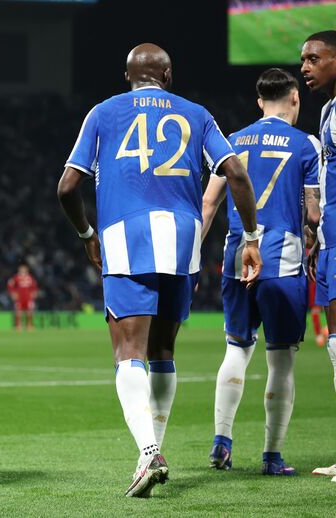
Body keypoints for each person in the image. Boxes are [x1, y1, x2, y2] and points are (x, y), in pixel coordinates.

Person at [56, 43, 261, 497]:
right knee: (163, 350)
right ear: (167, 76)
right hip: (183, 236)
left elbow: (68, 186)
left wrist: (88, 234)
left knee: (128, 350)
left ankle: (149, 452)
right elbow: (238, 175)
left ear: (127, 75)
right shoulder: (197, 113)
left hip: (126, 234)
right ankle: (150, 452)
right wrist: (250, 239)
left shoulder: (103, 112)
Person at [201, 68, 321, 476]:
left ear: (258, 102)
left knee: (236, 350)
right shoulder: (306, 144)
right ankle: (271, 455)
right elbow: (314, 213)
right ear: (295, 99)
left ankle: (222, 440)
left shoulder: (233, 142)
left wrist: (191, 257)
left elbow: (208, 203)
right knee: (281, 360)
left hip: (238, 254)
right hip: (283, 261)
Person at [302, 30, 336, 482]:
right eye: (303, 60)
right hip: (330, 241)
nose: (305, 66)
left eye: (315, 58)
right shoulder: (328, 110)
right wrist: (318, 235)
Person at [7, 264, 39, 331]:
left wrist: (34, 292)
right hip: (19, 297)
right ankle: (18, 326)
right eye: (21, 270)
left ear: (27, 270)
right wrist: (12, 293)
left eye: (24, 270)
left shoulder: (30, 278)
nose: (23, 271)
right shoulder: (16, 277)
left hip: (28, 297)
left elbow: (34, 286)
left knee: (29, 311)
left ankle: (29, 325)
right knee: (18, 311)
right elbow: (10, 285)